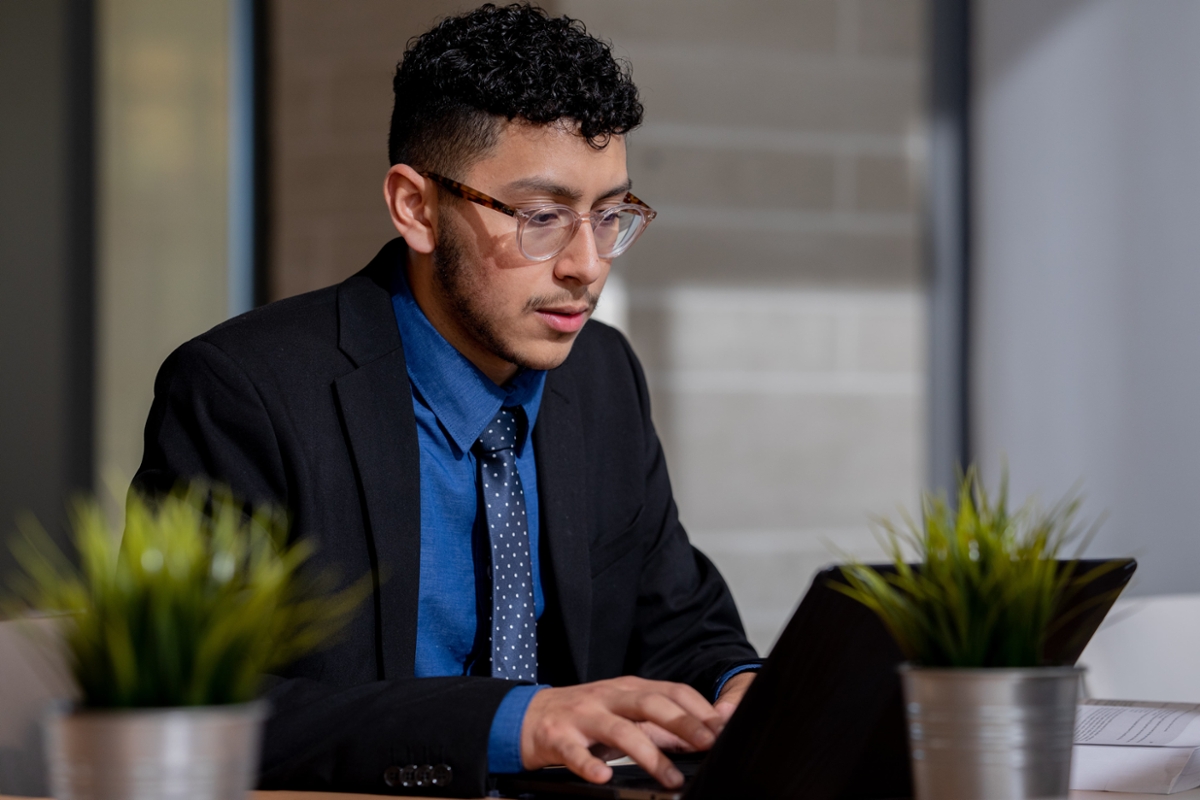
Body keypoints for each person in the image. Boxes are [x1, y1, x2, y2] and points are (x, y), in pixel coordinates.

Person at [134, 4, 760, 796]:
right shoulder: (243, 392)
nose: (588, 265)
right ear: (416, 207)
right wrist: (511, 722)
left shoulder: (601, 374)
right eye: (542, 217)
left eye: (609, 216)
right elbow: (197, 708)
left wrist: (741, 686)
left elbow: (679, 620)